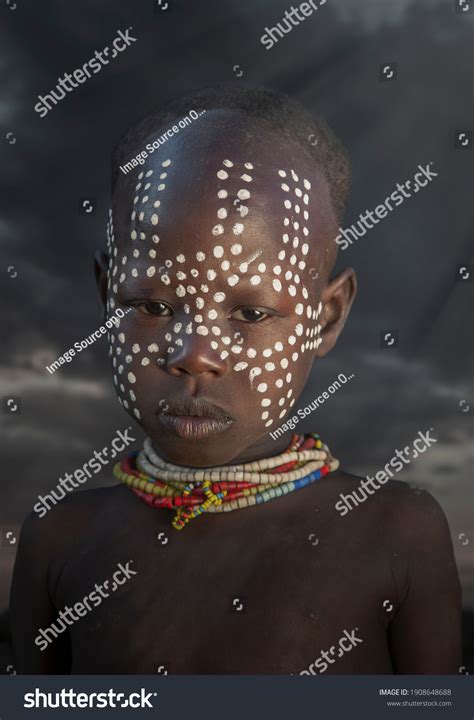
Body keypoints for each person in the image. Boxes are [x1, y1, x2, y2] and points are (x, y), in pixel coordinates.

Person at [10, 86, 461, 674]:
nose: (195, 354)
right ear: (106, 296)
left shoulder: (399, 532)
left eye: (249, 314)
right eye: (150, 304)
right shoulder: (59, 541)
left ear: (325, 317)